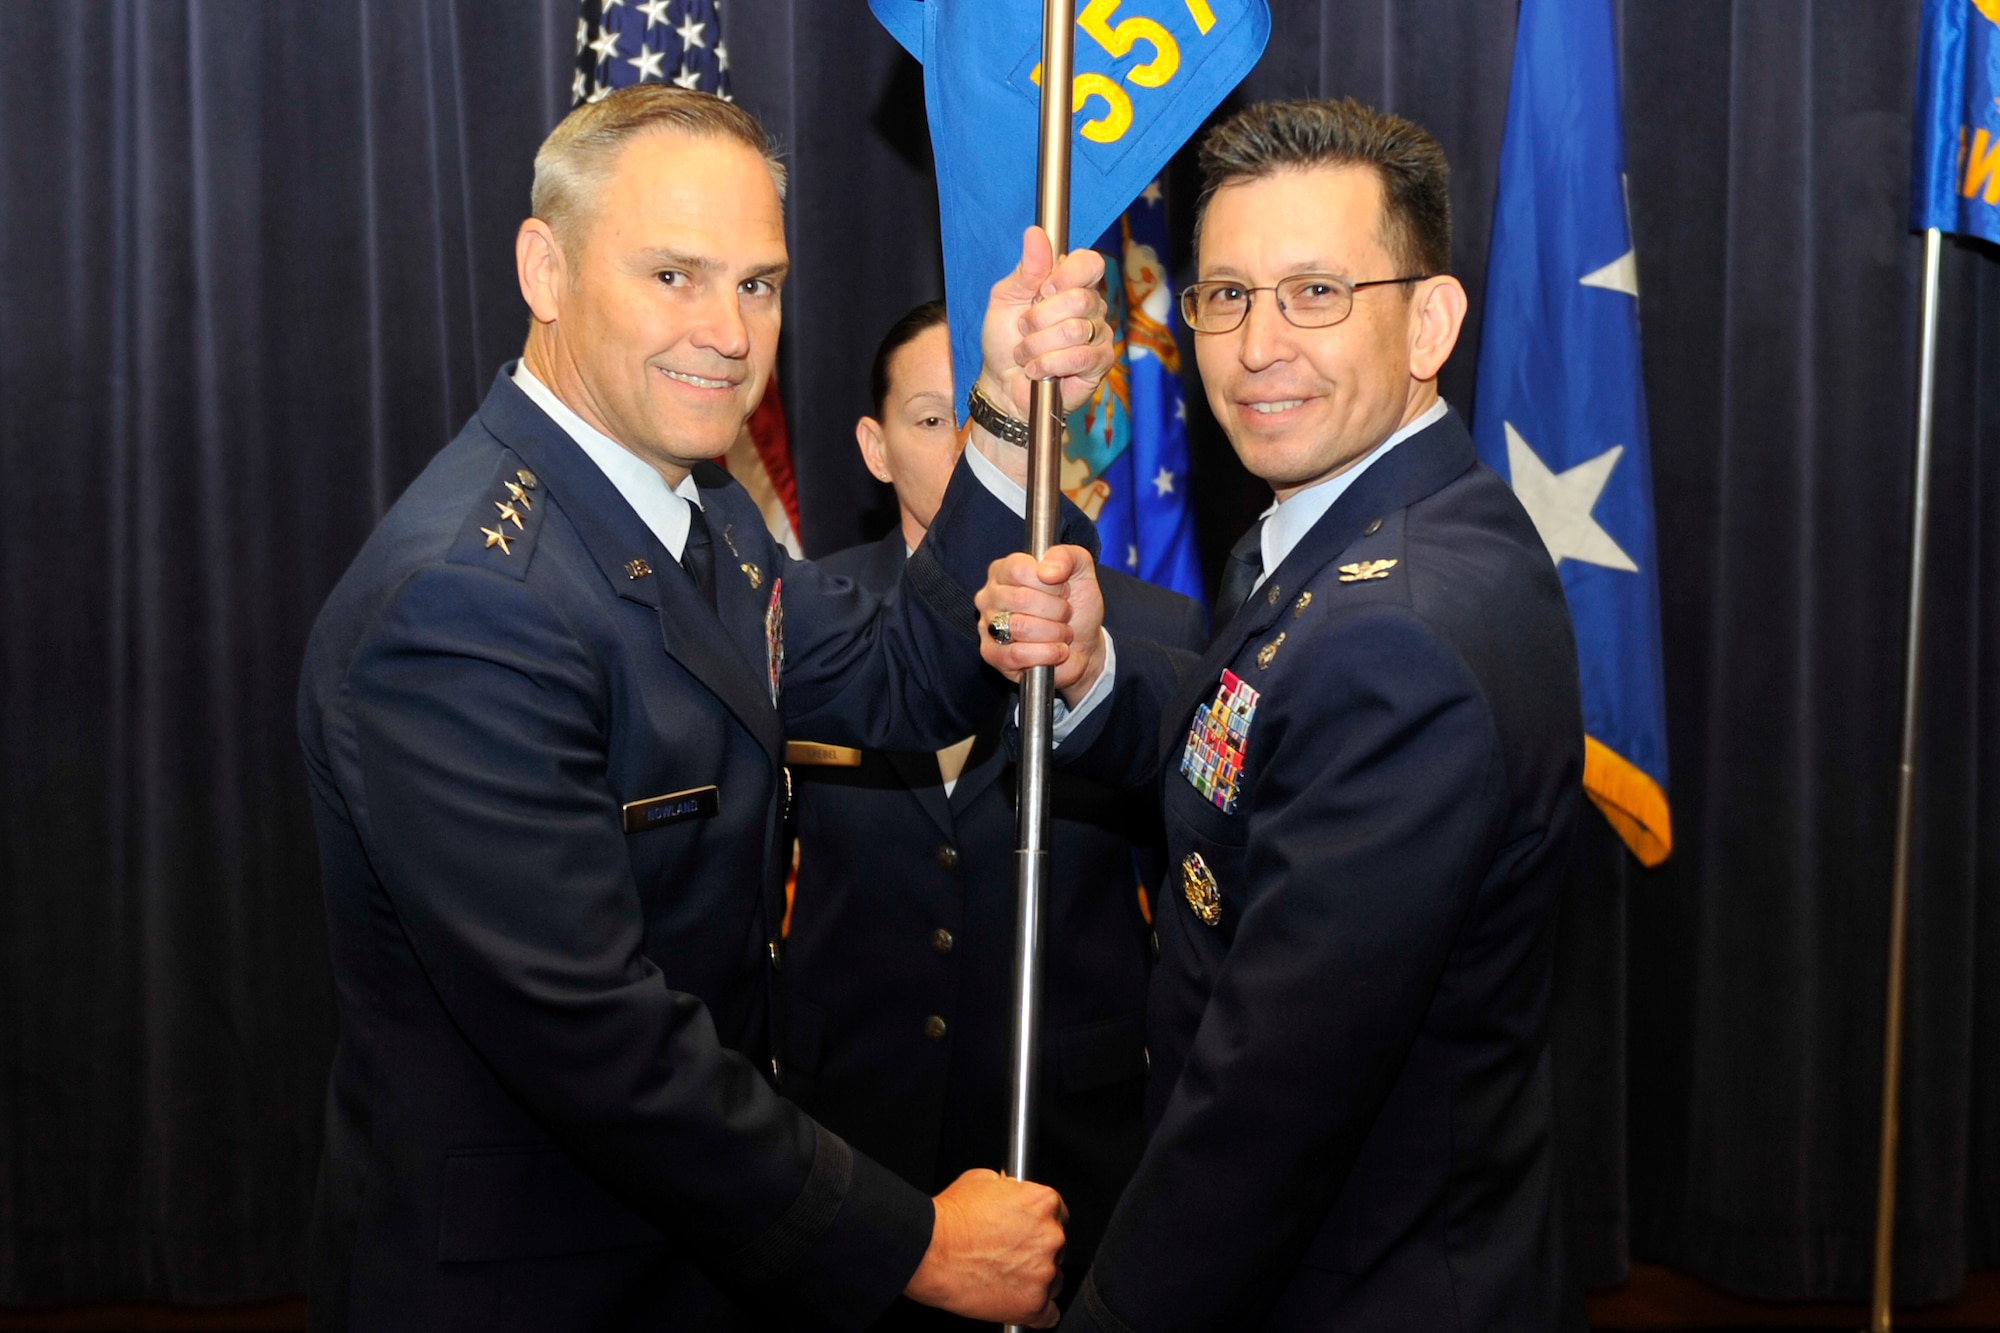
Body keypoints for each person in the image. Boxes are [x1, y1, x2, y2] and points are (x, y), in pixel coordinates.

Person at [297, 86, 1117, 1332]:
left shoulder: (699, 510)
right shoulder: (467, 601)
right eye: (674, 275)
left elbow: (900, 675)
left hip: (689, 1254)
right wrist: (918, 1242)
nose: (729, 333)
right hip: (536, 1282)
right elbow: (602, 1048)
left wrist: (1001, 411)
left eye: (758, 284)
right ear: (545, 268)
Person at [976, 98, 1588, 1329]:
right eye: (1224, 295)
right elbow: (1258, 745)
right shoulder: (1360, 523)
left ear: (1429, 321)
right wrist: (1097, 676)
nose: (1257, 347)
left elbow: (1268, 1104)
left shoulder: (1395, 631)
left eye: (1315, 293)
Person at [782, 301, 1208, 1330]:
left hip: (1066, 1132)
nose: (970, 448)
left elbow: (1197, 874)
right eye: (935, 422)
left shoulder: (1148, 626)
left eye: (993, 420)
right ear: (874, 450)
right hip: (848, 1130)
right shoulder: (801, 620)